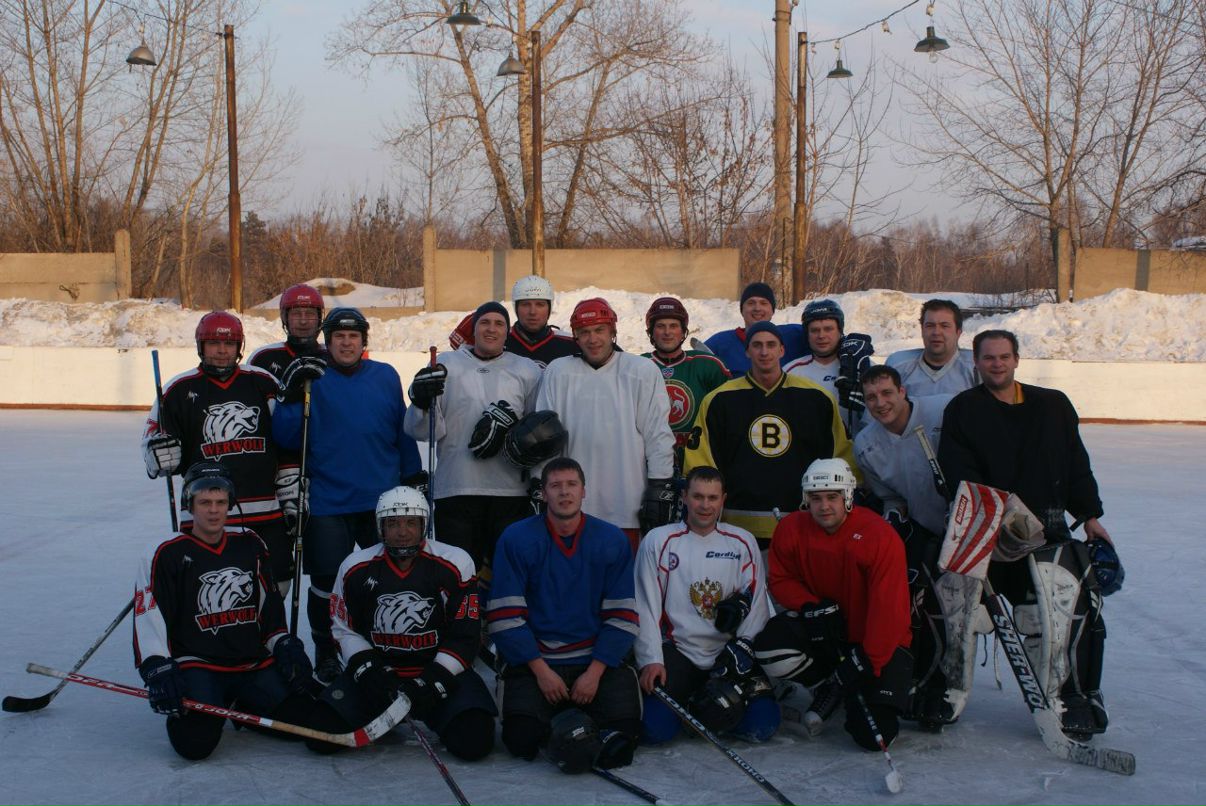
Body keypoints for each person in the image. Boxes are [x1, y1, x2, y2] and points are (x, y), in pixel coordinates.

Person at [939, 329, 1113, 739]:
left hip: (1049, 532)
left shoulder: (1053, 406)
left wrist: (1089, 514)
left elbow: (1075, 464)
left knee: (1075, 607)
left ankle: (1074, 693)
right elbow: (958, 472)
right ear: (976, 362)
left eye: (1003, 357)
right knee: (947, 600)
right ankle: (944, 685)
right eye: (987, 358)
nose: (996, 364)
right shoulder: (963, 409)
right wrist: (995, 518)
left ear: (1016, 359)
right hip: (989, 538)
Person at [273, 307, 423, 683]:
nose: (346, 342)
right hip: (328, 501)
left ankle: (382, 642)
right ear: (327, 341)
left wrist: (412, 475)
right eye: (338, 336)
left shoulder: (385, 376)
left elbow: (401, 430)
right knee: (325, 584)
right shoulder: (314, 378)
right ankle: (326, 650)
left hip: (382, 502)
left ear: (363, 341)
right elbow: (287, 437)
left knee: (386, 578)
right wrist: (291, 396)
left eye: (353, 336)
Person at [133, 461, 317, 760]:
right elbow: (150, 617)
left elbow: (268, 609)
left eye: (220, 502)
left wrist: (282, 642)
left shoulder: (250, 543)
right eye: (205, 502)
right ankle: (212, 703)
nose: (214, 510)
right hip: (199, 664)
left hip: (251, 664)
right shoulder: (166, 553)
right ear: (189, 505)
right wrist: (157, 666)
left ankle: (243, 704)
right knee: (195, 745)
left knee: (307, 718)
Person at [306, 486, 496, 760]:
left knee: (474, 741)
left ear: (424, 524)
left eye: (410, 522)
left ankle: (428, 712)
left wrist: (433, 679)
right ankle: (385, 714)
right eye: (393, 522)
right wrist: (370, 671)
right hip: (381, 674)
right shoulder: (355, 567)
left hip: (437, 673)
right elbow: (344, 628)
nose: (402, 531)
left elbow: (465, 635)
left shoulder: (455, 562)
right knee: (321, 734)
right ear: (380, 526)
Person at [487, 458, 642, 772]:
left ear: (584, 491)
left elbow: (622, 616)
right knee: (521, 742)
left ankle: (572, 716)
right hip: (539, 662)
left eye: (572, 485)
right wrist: (541, 671)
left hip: (592, 660)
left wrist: (595, 673)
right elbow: (504, 617)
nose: (564, 492)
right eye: (555, 486)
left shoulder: (611, 540)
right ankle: (564, 720)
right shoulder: (516, 539)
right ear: (543, 494)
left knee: (629, 734)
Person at [752, 459, 913, 750]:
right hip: (828, 632)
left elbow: (891, 611)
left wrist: (866, 660)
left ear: (847, 497)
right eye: (816, 498)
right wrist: (810, 606)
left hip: (877, 643)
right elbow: (781, 579)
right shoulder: (791, 528)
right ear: (806, 500)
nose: (824, 506)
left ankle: (855, 686)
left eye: (832, 497)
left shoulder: (879, 536)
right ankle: (830, 684)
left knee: (874, 737)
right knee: (769, 646)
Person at [141, 311, 293, 592]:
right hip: (204, 514)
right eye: (214, 344)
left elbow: (288, 437)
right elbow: (153, 441)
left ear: (240, 347)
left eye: (230, 344)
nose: (222, 351)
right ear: (201, 346)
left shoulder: (262, 381)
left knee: (277, 585)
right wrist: (159, 452)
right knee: (203, 590)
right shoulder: (178, 389)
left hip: (265, 512)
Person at [853, 365, 969, 730]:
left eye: (887, 393)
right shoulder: (866, 444)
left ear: (902, 391)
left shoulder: (946, 408)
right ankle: (924, 682)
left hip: (966, 529)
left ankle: (953, 684)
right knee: (920, 608)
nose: (880, 403)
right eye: (871, 397)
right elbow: (891, 499)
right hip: (924, 530)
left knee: (959, 610)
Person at [634, 466, 779, 745]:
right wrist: (650, 659)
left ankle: (702, 711)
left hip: (726, 656)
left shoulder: (742, 542)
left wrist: (744, 649)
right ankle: (698, 708)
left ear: (723, 499)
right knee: (655, 730)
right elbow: (646, 606)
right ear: (685, 497)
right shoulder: (659, 541)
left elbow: (757, 603)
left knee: (762, 725)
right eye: (698, 496)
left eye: (712, 498)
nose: (705, 505)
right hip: (679, 652)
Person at [684, 320, 856, 548]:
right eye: (756, 345)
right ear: (747, 351)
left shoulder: (816, 398)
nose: (764, 352)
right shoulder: (718, 400)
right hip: (736, 528)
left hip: (803, 523)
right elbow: (701, 463)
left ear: (782, 350)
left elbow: (841, 456)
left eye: (771, 345)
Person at [405, 301, 542, 574]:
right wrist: (420, 402)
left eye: (499, 324)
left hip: (510, 493)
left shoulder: (527, 370)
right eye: (485, 323)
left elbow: (537, 430)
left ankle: (503, 618)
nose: (491, 329)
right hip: (455, 489)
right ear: (474, 328)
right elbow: (421, 432)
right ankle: (462, 618)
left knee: (507, 572)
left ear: (508, 332)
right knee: (458, 572)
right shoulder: (445, 363)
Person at [535, 297, 676, 548]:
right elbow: (545, 437)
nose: (593, 339)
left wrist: (659, 484)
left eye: (600, 330)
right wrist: (539, 480)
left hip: (627, 505)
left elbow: (657, 434)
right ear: (575, 337)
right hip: (570, 509)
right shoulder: (558, 372)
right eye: (584, 332)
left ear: (612, 331)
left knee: (622, 585)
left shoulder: (641, 371)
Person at [639, 297, 730, 472]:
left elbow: (728, 416)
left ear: (683, 331)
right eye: (660, 326)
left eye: (673, 326)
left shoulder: (708, 365)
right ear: (651, 331)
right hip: (649, 465)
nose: (667, 332)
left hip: (699, 465)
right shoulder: (638, 366)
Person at [784, 299, 875, 436]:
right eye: (815, 330)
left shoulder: (862, 367)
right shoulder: (790, 371)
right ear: (806, 334)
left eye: (828, 329)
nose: (821, 336)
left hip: (853, 453)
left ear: (840, 331)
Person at [447, 275, 578, 369]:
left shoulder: (569, 345)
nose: (533, 311)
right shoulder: (495, 339)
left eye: (540, 304)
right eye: (525, 304)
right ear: (516, 307)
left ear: (550, 307)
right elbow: (462, 366)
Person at [703, 282, 806, 376]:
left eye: (763, 303)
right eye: (751, 303)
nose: (757, 308)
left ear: (772, 310)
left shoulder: (793, 335)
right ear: (742, 310)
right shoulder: (719, 343)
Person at [886, 299, 978, 397]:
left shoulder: (976, 367)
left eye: (944, 326)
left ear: (958, 332)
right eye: (930, 326)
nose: (936, 332)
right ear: (922, 330)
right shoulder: (897, 366)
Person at [247, 283, 327, 381]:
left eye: (310, 314)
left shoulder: (333, 357)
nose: (303, 321)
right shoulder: (262, 359)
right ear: (285, 318)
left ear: (319, 318)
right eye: (296, 314)